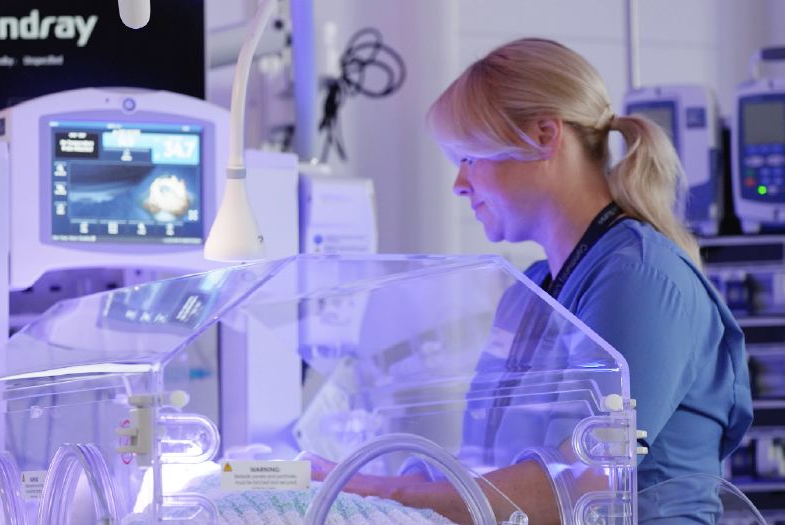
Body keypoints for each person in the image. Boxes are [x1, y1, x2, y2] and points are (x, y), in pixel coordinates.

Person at [309, 38, 753, 524]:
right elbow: (490, 468)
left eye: (470, 158)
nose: (459, 183)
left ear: (544, 136)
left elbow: (576, 489)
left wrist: (378, 491)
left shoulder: (640, 279)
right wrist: (341, 478)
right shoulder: (531, 292)